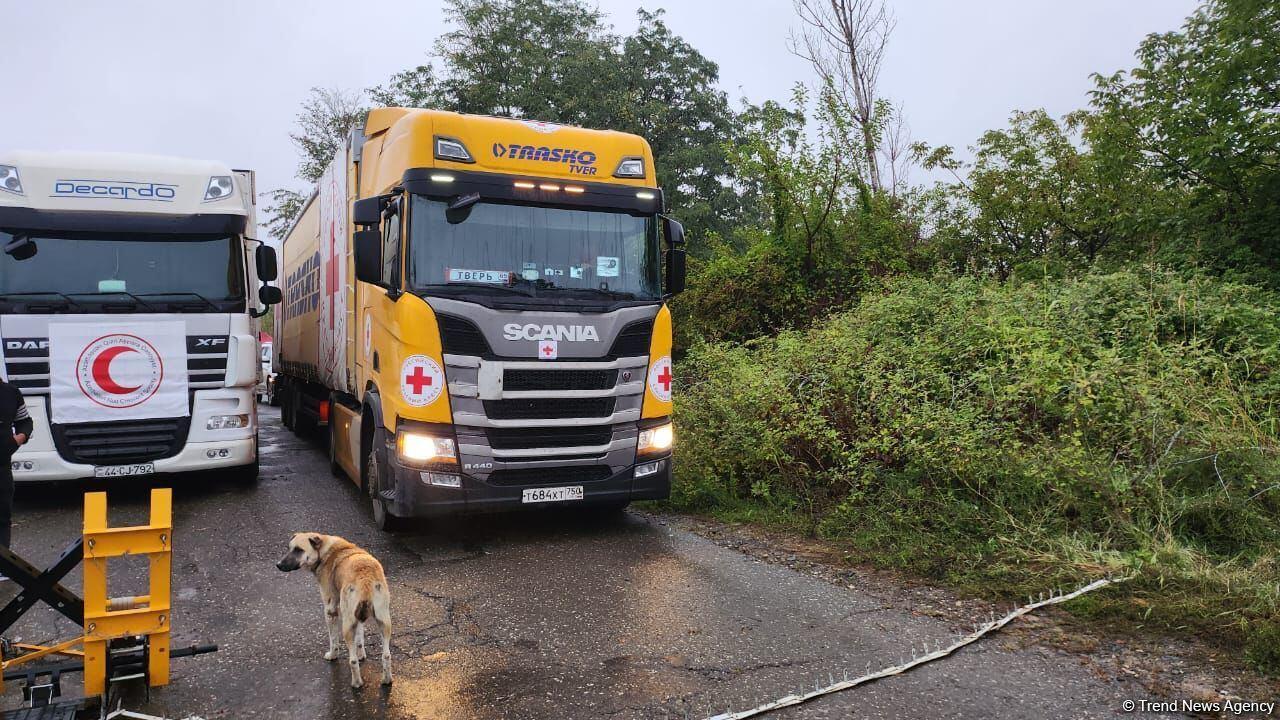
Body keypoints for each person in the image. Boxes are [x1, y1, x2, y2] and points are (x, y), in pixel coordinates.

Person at [0, 379, 32, 549]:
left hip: (2, 466)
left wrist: (20, 438)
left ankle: (3, 566)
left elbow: (25, 422)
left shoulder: (11, 393)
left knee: (3, 518)